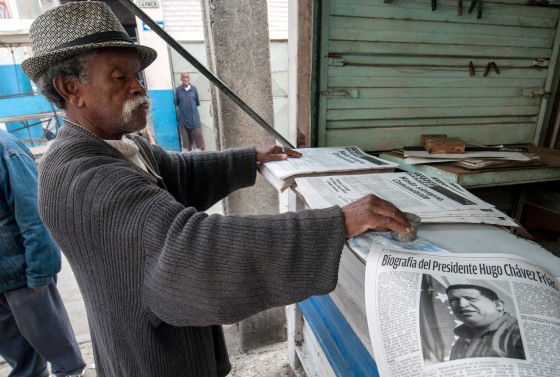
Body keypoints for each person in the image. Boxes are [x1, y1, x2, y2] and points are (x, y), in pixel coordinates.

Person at [21, 2, 412, 376]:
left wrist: (247, 159)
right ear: (70, 89)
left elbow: (176, 173)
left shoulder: (118, 144)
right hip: (153, 359)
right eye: (120, 77)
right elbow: (192, 249)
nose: (139, 88)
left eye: (137, 75)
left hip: (170, 342)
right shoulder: (81, 176)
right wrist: (337, 223)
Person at [0, 129, 86, 377]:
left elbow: (35, 215)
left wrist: (40, 272)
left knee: (60, 352)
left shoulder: (7, 150)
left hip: (22, 276)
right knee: (22, 361)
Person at [446, 284, 525, 360]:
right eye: (454, 300)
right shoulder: (460, 343)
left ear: (498, 305)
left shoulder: (519, 331)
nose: (462, 305)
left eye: (470, 298)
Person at [175, 71, 205, 151]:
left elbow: (197, 103)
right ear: (181, 79)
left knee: (201, 143)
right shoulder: (178, 90)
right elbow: (177, 103)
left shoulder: (194, 89)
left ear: (189, 78)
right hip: (183, 121)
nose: (185, 79)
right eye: (183, 77)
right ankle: (191, 160)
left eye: (187, 77)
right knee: (188, 145)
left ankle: (204, 156)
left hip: (194, 120)